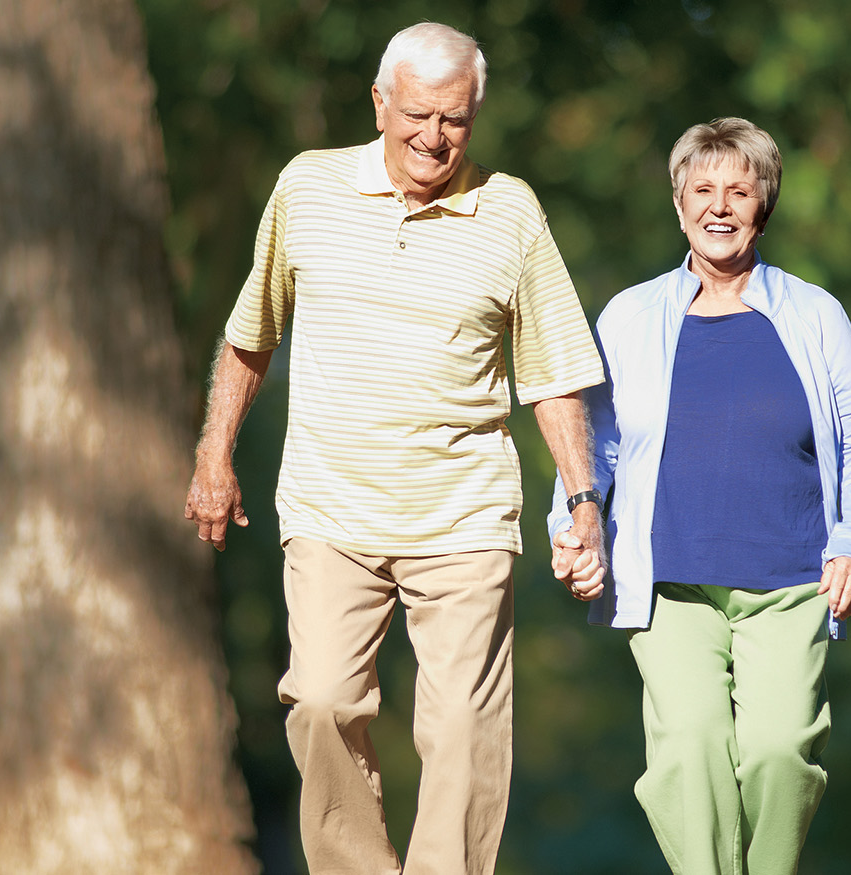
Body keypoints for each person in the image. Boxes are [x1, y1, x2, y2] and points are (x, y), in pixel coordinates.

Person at [183, 22, 610, 875]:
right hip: (331, 507)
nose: (434, 137)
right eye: (417, 114)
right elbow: (250, 335)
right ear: (379, 104)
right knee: (321, 704)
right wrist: (212, 457)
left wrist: (583, 500)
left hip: (464, 515)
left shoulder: (512, 212)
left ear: (474, 117)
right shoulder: (307, 189)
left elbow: (555, 374)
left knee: (461, 734)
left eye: (455, 120)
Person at [549, 117, 851, 874]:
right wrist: (575, 527)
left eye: (740, 189)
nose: (720, 205)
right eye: (702, 189)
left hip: (794, 577)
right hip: (671, 584)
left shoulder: (816, 314)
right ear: (678, 205)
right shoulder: (631, 317)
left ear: (764, 203)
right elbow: (593, 441)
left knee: (778, 754)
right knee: (690, 751)